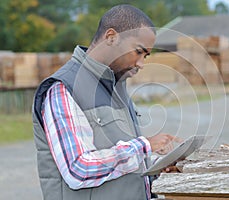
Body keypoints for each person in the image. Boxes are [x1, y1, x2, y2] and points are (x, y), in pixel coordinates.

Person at [32, 4, 180, 200]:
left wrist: (157, 167)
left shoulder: (117, 87)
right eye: (138, 51)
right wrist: (145, 145)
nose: (141, 63)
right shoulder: (63, 88)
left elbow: (118, 159)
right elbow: (79, 169)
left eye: (146, 56)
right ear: (111, 37)